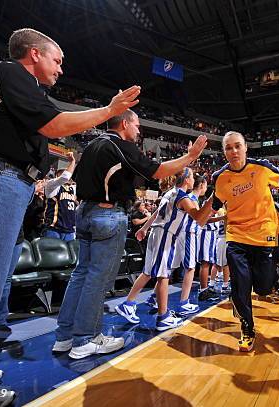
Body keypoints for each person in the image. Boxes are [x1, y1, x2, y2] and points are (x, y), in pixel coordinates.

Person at [0, 27, 139, 405]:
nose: (61, 70)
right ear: (33, 54)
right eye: (57, 60)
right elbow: (54, 125)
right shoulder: (9, 71)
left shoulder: (24, 91)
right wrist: (110, 111)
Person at [53, 110, 207, 358]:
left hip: (85, 212)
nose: (138, 131)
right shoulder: (119, 145)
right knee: (97, 280)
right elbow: (157, 171)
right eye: (136, 126)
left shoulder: (92, 144)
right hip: (107, 214)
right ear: (124, 124)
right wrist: (190, 156)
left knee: (81, 275)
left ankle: (64, 337)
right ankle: (85, 339)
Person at [210, 131, 279, 352]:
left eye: (237, 146)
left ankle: (244, 297)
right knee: (240, 285)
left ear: (246, 147)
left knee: (264, 288)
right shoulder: (219, 178)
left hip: (264, 236)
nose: (234, 151)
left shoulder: (262, 168)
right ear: (224, 152)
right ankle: (247, 327)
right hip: (236, 237)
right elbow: (213, 204)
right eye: (228, 148)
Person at [114, 167, 213, 329]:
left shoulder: (170, 192)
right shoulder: (182, 197)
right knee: (163, 275)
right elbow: (200, 219)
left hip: (157, 232)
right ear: (187, 180)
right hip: (165, 234)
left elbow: (156, 213)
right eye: (192, 178)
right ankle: (163, 316)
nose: (194, 181)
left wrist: (145, 228)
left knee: (148, 272)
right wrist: (213, 200)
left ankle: (129, 303)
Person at [42, 152, 78, 241]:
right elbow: (65, 177)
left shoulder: (73, 188)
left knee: (69, 255)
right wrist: (72, 161)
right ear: (57, 174)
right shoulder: (51, 185)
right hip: (53, 230)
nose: (68, 176)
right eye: (61, 172)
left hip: (70, 231)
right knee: (50, 255)